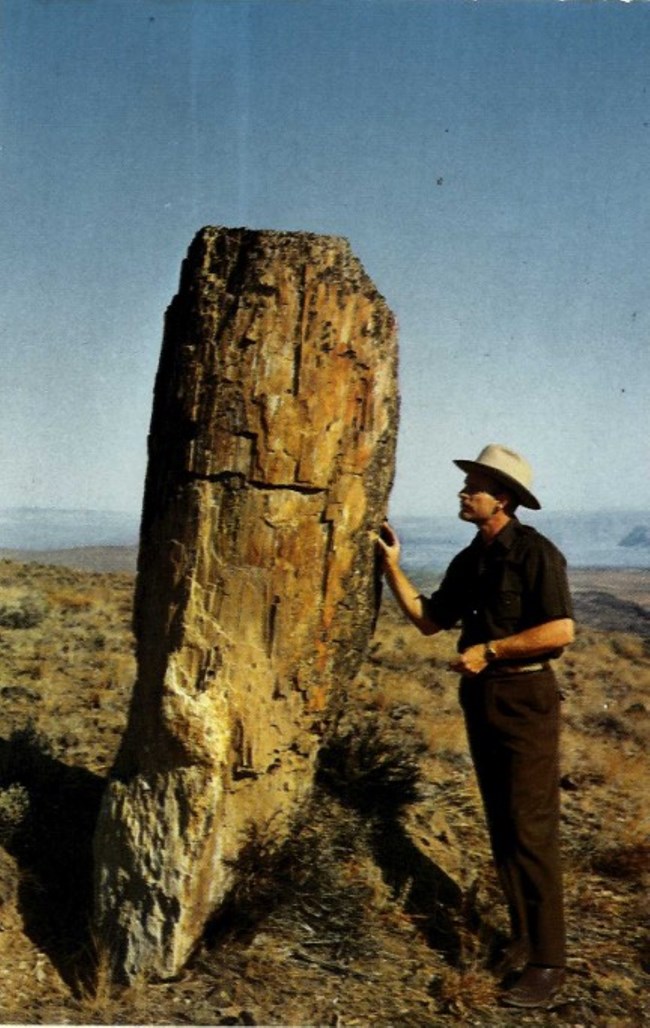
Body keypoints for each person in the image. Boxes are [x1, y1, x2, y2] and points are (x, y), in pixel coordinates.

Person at [377, 444, 574, 1010]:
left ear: (503, 498)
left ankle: (548, 962)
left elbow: (561, 629)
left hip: (525, 697)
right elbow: (430, 621)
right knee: (502, 823)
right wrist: (392, 567)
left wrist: (490, 649)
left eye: (476, 487)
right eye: (467, 486)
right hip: (482, 697)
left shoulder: (536, 554)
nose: (464, 493)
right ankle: (520, 941)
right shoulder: (471, 559)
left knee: (530, 827)